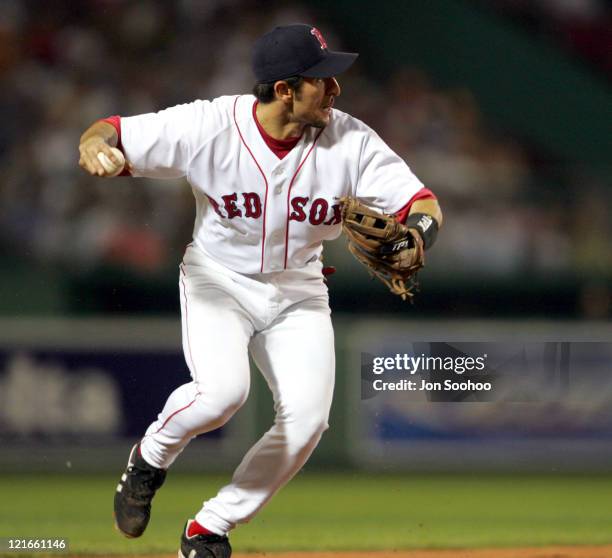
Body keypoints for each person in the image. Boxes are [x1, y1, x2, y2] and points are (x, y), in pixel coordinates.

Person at [78, 23, 443, 558]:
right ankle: (150, 456)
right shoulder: (209, 126)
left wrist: (420, 234)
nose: (336, 89)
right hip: (216, 279)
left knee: (308, 421)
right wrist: (94, 146)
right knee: (223, 394)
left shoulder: (350, 140)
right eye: (323, 80)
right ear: (284, 90)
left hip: (299, 289)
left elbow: (422, 202)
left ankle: (209, 528)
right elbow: (108, 130)